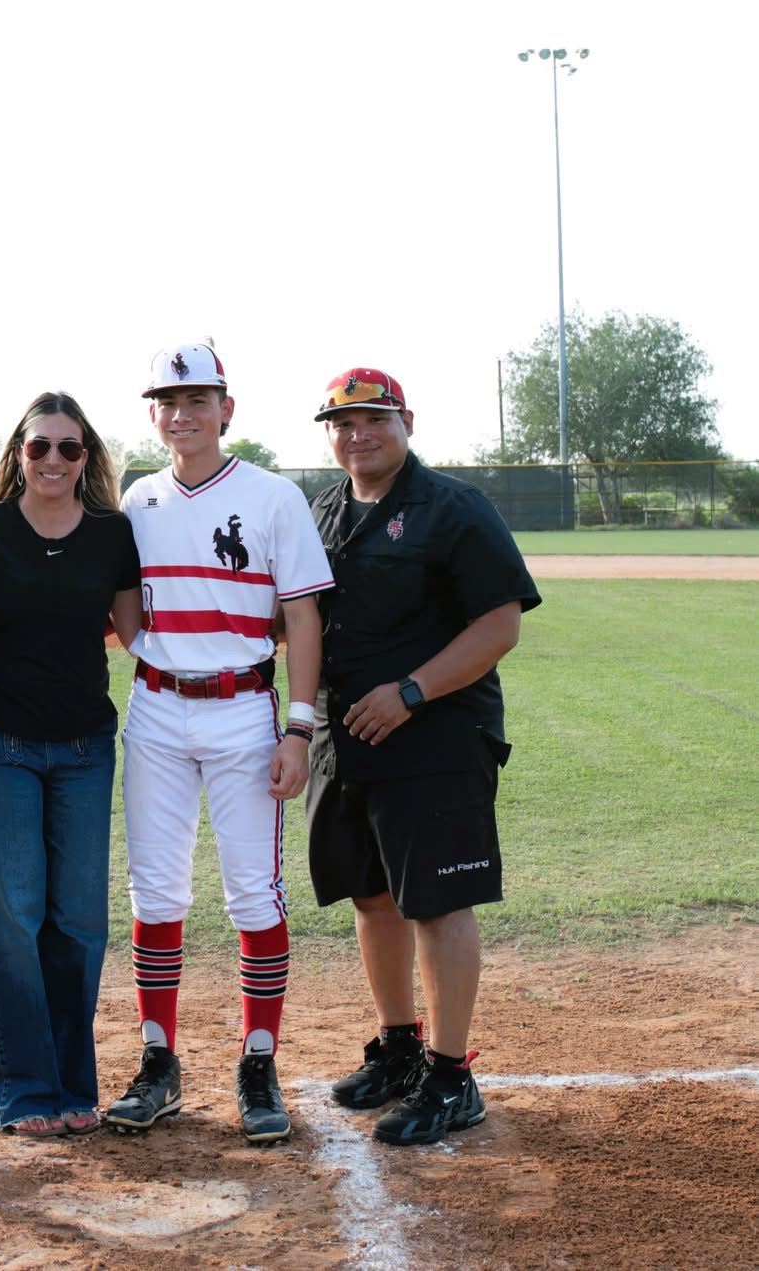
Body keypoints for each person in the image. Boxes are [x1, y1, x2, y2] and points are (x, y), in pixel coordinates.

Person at [306, 367, 540, 1146]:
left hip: (434, 738)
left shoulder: (452, 507)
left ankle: (448, 1075)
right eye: (342, 423)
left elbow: (498, 625)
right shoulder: (322, 510)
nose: (358, 434)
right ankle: (399, 1047)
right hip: (345, 738)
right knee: (371, 898)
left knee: (437, 904)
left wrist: (410, 691)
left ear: (405, 421)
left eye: (374, 418)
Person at [107, 342, 333, 1144]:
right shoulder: (138, 499)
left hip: (243, 708)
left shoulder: (272, 496)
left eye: (197, 400)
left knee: (252, 893)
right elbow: (123, 611)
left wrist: (298, 728)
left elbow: (303, 615)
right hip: (157, 707)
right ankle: (158, 1060)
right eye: (168, 402)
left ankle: (257, 1060)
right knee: (155, 894)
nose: (182, 415)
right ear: (154, 415)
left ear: (225, 408)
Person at [0, 391, 142, 1139]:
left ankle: (72, 1086)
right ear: (18, 454)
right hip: (0, 745)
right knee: (13, 920)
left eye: (69, 447)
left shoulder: (112, 532)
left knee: (80, 924)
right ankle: (24, 1091)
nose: (54, 459)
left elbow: (136, 632)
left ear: (86, 457)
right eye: (39, 446)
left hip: (86, 749)